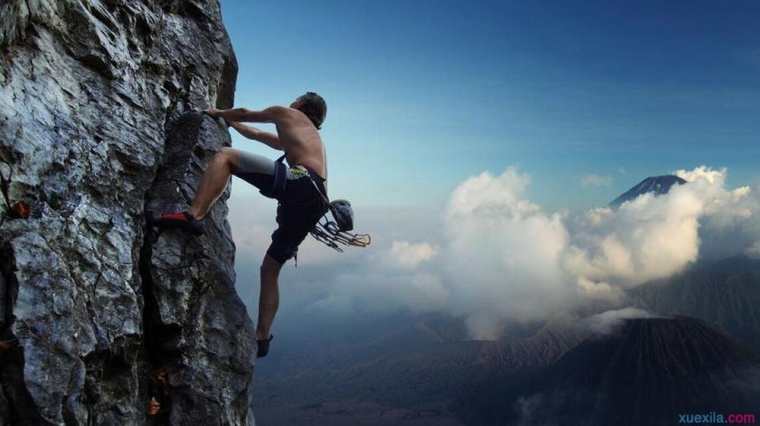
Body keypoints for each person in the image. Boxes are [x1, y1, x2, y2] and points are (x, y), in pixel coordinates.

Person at [155, 92, 329, 358]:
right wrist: (232, 124)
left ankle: (194, 215)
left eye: (295, 99)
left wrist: (218, 112)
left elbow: (247, 112)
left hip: (300, 183)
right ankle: (262, 337)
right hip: (314, 201)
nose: (291, 102)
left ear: (301, 105)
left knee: (226, 156)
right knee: (270, 269)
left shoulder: (288, 114)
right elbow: (257, 135)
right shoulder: (306, 137)